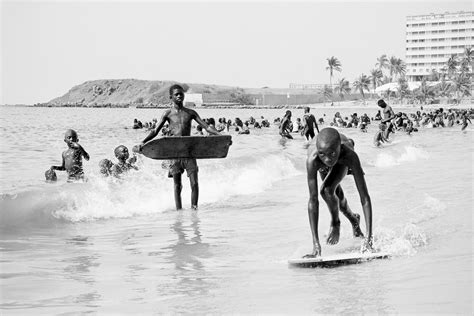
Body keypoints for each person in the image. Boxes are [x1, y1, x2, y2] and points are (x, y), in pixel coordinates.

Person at [136, 84, 220, 210]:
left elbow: (206, 126)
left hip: (189, 152)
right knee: (177, 185)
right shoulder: (167, 113)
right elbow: (155, 131)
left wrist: (220, 135)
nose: (180, 96)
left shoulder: (191, 113)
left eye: (181, 94)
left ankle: (194, 209)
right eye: (176, 94)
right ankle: (178, 211)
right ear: (171, 97)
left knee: (195, 183)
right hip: (174, 154)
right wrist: (143, 142)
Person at [305, 127, 373, 257]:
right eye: (322, 154)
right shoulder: (314, 159)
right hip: (325, 155)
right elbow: (313, 200)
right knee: (331, 194)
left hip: (342, 159)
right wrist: (316, 245)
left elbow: (364, 198)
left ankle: (336, 223)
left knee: (327, 190)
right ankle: (354, 220)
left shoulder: (349, 155)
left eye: (332, 154)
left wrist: (369, 240)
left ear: (339, 148)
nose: (328, 160)